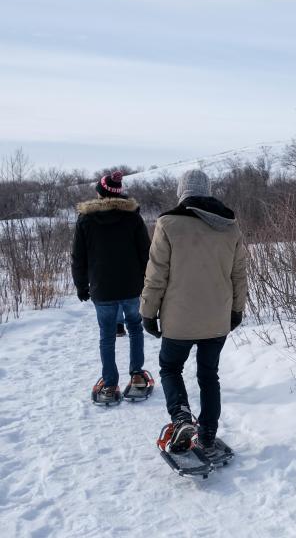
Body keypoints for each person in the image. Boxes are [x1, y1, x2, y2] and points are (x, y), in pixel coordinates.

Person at [141, 169, 247, 454]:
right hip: (217, 318)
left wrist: (148, 313)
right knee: (209, 375)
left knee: (170, 367)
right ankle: (208, 433)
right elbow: (239, 275)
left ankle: (181, 418)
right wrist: (237, 310)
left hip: (179, 320)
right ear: (208, 191)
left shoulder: (168, 223)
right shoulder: (230, 226)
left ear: (182, 192)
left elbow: (156, 275)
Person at [71, 171, 152, 404]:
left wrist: (81, 285)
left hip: (102, 289)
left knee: (106, 336)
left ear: (100, 192)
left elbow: (78, 257)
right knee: (135, 328)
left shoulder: (85, 219)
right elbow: (145, 253)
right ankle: (137, 376)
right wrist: (149, 282)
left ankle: (109, 385)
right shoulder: (133, 218)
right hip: (132, 287)